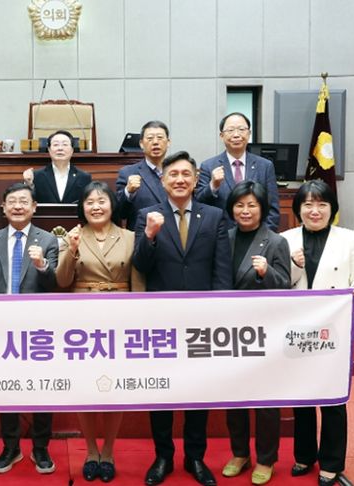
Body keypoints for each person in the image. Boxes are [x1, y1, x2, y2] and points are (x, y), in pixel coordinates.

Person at [133, 151, 232, 486]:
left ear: (195, 180)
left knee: (198, 390)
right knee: (161, 390)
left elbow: (221, 270)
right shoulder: (147, 215)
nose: (179, 180)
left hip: (202, 320)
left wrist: (219, 312)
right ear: (163, 181)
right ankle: (163, 456)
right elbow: (141, 265)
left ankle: (195, 457)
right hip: (160, 320)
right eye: (173, 174)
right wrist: (149, 235)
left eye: (186, 174)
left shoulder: (214, 216)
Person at [281, 180, 354, 486]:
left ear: (332, 208)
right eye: (307, 204)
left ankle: (331, 462)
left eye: (321, 204)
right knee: (302, 396)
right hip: (299, 329)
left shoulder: (348, 238)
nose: (315, 211)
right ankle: (304, 455)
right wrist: (295, 265)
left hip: (335, 330)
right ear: (298, 210)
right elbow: (280, 283)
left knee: (333, 399)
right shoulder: (286, 239)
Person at [57, 181, 145, 483]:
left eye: (101, 201)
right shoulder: (72, 236)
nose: (96, 207)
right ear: (82, 208)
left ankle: (108, 451)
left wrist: (137, 320)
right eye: (90, 202)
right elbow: (62, 280)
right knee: (86, 388)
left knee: (113, 388)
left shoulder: (130, 237)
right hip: (83, 319)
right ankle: (90, 450)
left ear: (112, 205)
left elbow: (138, 283)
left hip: (119, 318)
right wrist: (71, 250)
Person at [220, 181, 291, 485]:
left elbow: (285, 286)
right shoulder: (224, 238)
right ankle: (239, 453)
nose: (245, 211)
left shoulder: (275, 242)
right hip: (229, 331)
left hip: (264, 332)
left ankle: (265, 458)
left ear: (262, 209)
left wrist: (266, 272)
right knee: (233, 397)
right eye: (239, 205)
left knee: (265, 400)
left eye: (252, 205)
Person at [0, 182, 59, 475]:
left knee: (42, 388)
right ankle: (11, 447)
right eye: (12, 202)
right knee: (6, 389)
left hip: (38, 328)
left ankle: (40, 448)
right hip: (2, 328)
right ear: (4, 208)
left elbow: (54, 284)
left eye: (23, 201)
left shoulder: (48, 240)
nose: (18, 206)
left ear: (34, 207)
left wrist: (41, 264)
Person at [195, 112, 280, 231]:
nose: (236, 135)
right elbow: (199, 204)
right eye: (230, 130)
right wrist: (213, 186)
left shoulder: (265, 166)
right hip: (221, 235)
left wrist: (264, 238)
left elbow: (273, 209)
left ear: (249, 134)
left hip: (257, 236)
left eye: (241, 129)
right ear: (221, 136)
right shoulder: (208, 166)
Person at [115, 120, 170, 230]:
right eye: (150, 138)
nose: (155, 142)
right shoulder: (128, 173)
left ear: (168, 142)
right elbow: (120, 213)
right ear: (141, 144)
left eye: (160, 138)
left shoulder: (177, 172)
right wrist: (128, 192)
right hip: (143, 236)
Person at [23, 130, 92, 203]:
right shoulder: (36, 176)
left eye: (65, 144)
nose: (60, 148)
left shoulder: (84, 177)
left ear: (72, 150)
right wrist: (28, 184)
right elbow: (29, 201)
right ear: (49, 150)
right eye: (56, 145)